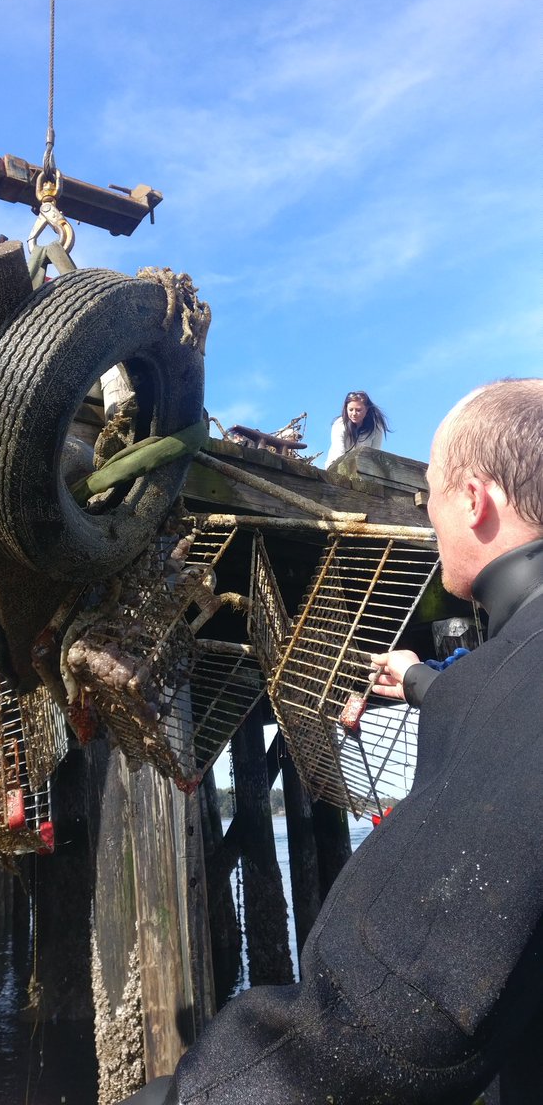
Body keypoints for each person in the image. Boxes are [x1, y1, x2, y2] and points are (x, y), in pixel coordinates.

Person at [122, 377, 543, 1105]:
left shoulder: (513, 689)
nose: (426, 516)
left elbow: (390, 1023)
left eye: (429, 500)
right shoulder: (504, 679)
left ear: (474, 501)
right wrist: (422, 684)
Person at [325, 390, 390, 467]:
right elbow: (338, 451)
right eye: (350, 410)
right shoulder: (339, 424)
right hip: (336, 466)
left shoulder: (376, 427)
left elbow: (374, 453)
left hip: (363, 468)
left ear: (367, 409)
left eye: (358, 410)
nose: (354, 414)